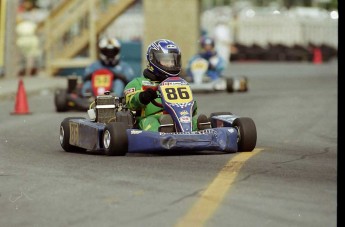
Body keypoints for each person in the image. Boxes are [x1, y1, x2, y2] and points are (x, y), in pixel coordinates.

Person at [124, 39, 209, 132]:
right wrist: (143, 97)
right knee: (151, 122)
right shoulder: (138, 82)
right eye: (166, 61)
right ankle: (163, 133)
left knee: (195, 121)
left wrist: (191, 105)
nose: (170, 64)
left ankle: (203, 130)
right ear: (152, 60)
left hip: (179, 118)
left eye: (173, 61)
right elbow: (129, 103)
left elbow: (194, 110)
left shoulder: (180, 83)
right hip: (148, 119)